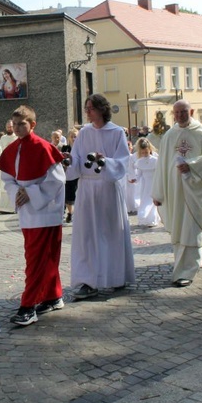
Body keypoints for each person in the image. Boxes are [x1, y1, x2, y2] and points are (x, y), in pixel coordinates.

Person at [0, 105, 66, 326]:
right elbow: (7, 178)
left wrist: (31, 192)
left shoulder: (43, 147)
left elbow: (57, 180)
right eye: (14, 124)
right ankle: (53, 296)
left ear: (32, 125)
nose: (16, 128)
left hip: (45, 211)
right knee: (41, 257)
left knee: (37, 260)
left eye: (22, 124)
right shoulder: (12, 148)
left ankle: (28, 307)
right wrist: (18, 192)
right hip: (28, 210)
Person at [66, 94, 135, 300]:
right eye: (86, 108)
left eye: (90, 108)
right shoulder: (84, 133)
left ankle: (115, 276)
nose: (87, 112)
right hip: (87, 188)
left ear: (101, 110)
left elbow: (123, 162)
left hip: (107, 188)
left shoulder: (116, 133)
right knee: (87, 235)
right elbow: (77, 160)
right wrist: (69, 161)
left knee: (110, 232)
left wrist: (105, 161)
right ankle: (89, 281)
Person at [152, 99, 202, 287]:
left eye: (184, 112)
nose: (180, 115)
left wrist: (191, 166)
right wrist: (158, 192)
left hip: (196, 191)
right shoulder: (169, 135)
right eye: (177, 112)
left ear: (192, 111)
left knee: (193, 228)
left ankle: (189, 270)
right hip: (174, 190)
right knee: (179, 228)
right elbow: (161, 165)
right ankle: (180, 267)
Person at [133, 138, 160, 228]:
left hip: (153, 182)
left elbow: (158, 172)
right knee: (145, 200)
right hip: (144, 184)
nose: (144, 154)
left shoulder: (155, 160)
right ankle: (145, 219)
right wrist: (135, 179)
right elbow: (139, 174)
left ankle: (152, 219)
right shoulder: (139, 162)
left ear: (150, 150)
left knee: (152, 202)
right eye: (143, 153)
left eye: (146, 152)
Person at [0, 119, 17, 214]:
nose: (9, 128)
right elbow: (0, 151)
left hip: (14, 166)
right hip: (5, 165)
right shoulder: (3, 138)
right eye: (8, 127)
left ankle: (13, 207)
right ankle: (4, 208)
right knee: (4, 187)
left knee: (14, 186)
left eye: (11, 126)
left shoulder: (17, 137)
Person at [62, 127, 79, 224]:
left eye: (75, 136)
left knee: (78, 194)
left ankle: (76, 213)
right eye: (72, 136)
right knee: (69, 195)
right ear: (68, 138)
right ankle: (70, 212)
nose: (73, 138)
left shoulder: (81, 148)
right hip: (68, 175)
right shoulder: (65, 148)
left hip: (78, 175)